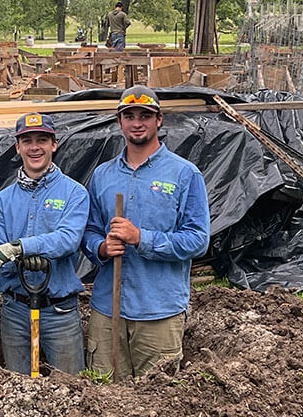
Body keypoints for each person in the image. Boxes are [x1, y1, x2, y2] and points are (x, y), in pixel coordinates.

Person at [81, 86, 210, 378]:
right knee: (104, 393)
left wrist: (141, 238)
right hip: (107, 311)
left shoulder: (184, 174)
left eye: (145, 116)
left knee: (157, 398)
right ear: (120, 122)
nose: (137, 123)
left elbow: (197, 240)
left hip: (158, 312)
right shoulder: (103, 175)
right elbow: (89, 231)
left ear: (159, 120)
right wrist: (101, 248)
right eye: (129, 116)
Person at [0, 112, 89, 375]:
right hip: (16, 313)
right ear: (17, 147)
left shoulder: (74, 193)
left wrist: (21, 248)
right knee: (20, 389)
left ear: (54, 145)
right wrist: (16, 261)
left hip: (60, 312)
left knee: (69, 387)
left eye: (42, 140)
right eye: (27, 141)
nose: (34, 147)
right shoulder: (3, 200)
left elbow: (68, 239)